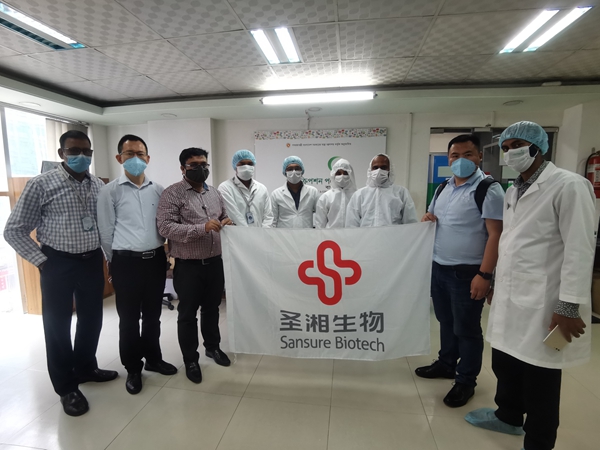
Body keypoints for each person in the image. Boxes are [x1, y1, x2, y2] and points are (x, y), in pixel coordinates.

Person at [465, 122, 595, 450]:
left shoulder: (569, 186)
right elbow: (511, 242)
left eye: (517, 145)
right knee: (505, 362)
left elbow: (580, 249)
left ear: (538, 146)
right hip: (513, 294)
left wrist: (569, 306)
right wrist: (494, 280)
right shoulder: (513, 190)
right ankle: (508, 415)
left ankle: (538, 441)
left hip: (548, 301)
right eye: (506, 148)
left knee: (541, 376)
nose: (510, 152)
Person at [3, 130, 117, 416]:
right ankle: (67, 387)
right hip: (57, 262)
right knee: (57, 327)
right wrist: (42, 262)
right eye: (74, 151)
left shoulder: (98, 184)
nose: (81, 156)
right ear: (61, 153)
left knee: (92, 319)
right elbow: (13, 229)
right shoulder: (41, 184)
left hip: (91, 261)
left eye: (86, 151)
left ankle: (86, 368)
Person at [415, 135, 504, 407]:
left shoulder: (488, 189)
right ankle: (446, 363)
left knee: (466, 329)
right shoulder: (443, 188)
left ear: (479, 157)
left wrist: (485, 275)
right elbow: (431, 218)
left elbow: (496, 234)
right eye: (455, 155)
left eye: (468, 154)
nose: (461, 160)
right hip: (439, 267)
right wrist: (427, 218)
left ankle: (465, 380)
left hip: (468, 272)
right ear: (448, 158)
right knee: (446, 321)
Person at [97, 134, 177, 396]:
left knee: (153, 316)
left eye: (140, 153)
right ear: (119, 158)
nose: (135, 158)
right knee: (129, 320)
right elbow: (106, 232)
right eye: (129, 154)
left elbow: (164, 225)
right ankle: (133, 368)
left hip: (155, 260)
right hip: (125, 263)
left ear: (148, 158)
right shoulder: (110, 191)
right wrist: (116, 261)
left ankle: (154, 359)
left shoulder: (159, 190)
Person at [156, 147, 233, 385]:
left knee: (212, 309)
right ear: (183, 168)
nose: (201, 169)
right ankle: (190, 359)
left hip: (215, 262)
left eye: (204, 164)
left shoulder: (214, 193)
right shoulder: (172, 193)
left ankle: (213, 347)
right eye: (194, 165)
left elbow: (223, 215)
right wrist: (202, 228)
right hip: (189, 266)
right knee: (188, 314)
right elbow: (166, 228)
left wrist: (227, 221)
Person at [345, 153, 418, 226]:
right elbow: (351, 224)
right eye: (375, 167)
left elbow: (410, 223)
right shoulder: (359, 195)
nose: (379, 171)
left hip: (393, 234)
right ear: (370, 170)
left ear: (390, 170)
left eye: (383, 167)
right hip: (366, 233)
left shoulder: (401, 193)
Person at [218, 149, 273, 227]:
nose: (246, 167)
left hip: (262, 234)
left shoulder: (262, 188)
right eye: (242, 164)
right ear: (235, 166)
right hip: (238, 234)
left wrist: (264, 233)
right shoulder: (225, 188)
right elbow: (235, 216)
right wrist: (247, 234)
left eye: (250, 164)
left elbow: (268, 216)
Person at [271, 156, 320, 228]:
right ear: (285, 172)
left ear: (302, 171)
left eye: (297, 168)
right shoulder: (276, 194)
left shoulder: (313, 191)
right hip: (283, 234)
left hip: (307, 234)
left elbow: (320, 217)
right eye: (290, 169)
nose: (294, 171)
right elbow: (273, 220)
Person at [314, 158, 356, 228]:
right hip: (331, 234)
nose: (342, 176)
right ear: (333, 175)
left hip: (353, 234)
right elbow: (320, 225)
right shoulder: (326, 197)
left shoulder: (357, 196)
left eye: (345, 173)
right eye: (338, 173)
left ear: (350, 175)